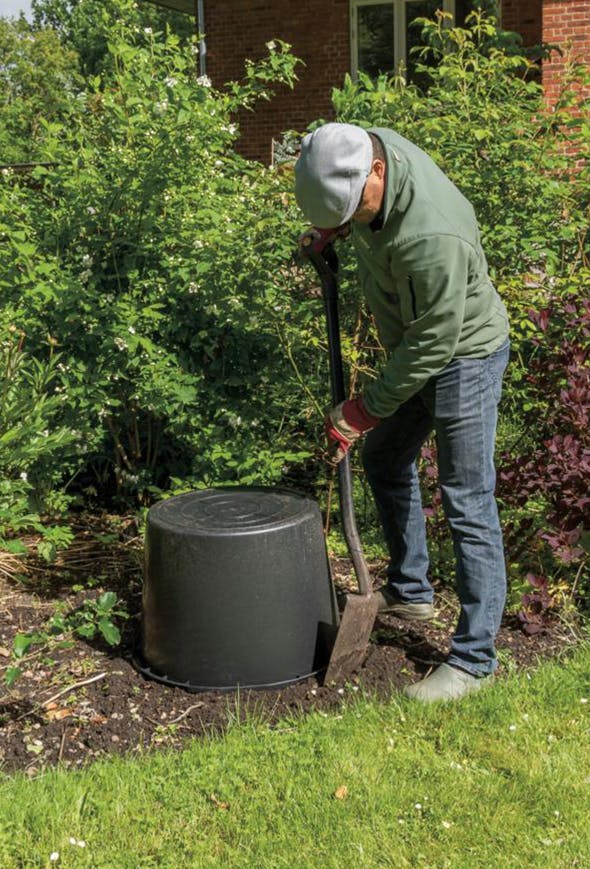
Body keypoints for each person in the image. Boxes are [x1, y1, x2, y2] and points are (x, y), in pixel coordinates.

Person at [295, 123, 510, 702]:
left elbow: (435, 345)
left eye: (350, 212)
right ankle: (411, 588)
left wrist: (362, 408)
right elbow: (343, 196)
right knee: (386, 457)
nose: (348, 223)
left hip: (463, 352)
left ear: (378, 173)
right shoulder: (362, 149)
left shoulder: (432, 236)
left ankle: (473, 659)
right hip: (420, 346)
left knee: (466, 498)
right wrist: (331, 229)